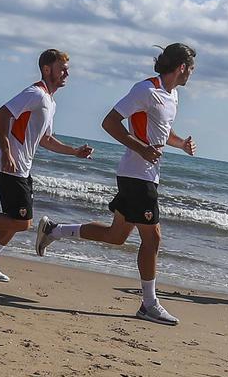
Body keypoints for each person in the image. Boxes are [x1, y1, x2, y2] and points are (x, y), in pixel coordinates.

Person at [34, 43, 197, 325]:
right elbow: (110, 122)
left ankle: (54, 230)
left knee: (116, 236)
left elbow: (162, 129)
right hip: (136, 174)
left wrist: (180, 143)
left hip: (147, 174)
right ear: (182, 67)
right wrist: (141, 148)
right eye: (191, 68)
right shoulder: (145, 90)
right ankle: (149, 304)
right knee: (153, 238)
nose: (191, 74)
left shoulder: (172, 95)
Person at [0, 47, 94, 281]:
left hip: (22, 168)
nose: (66, 73)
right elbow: (1, 115)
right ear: (47, 69)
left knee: (15, 221)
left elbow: (46, 140)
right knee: (22, 222)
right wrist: (6, 152)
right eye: (62, 69)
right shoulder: (35, 93)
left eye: (67, 70)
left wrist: (74, 152)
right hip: (9, 166)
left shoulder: (50, 102)